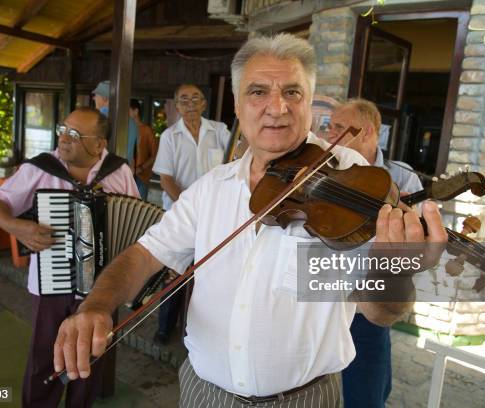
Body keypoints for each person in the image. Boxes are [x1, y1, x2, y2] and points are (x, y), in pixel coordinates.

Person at [54, 34, 447, 407]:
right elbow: (144, 254)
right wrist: (97, 305)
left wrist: (395, 269)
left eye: (292, 92)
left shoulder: (353, 180)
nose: (277, 107)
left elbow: (380, 312)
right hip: (203, 394)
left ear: (310, 105)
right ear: (238, 109)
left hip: (304, 400)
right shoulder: (212, 187)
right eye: (258, 92)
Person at [0, 108, 138, 408]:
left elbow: (133, 222)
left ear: (99, 144)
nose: (64, 139)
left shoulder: (119, 172)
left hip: (101, 288)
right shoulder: (41, 168)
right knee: (45, 358)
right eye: (62, 130)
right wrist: (19, 227)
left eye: (75, 135)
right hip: (50, 286)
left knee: (89, 360)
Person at [327, 98, 423, 408]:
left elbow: (415, 250)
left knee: (367, 397)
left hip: (364, 306)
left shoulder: (403, 179)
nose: (330, 134)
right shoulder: (324, 169)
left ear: (368, 131)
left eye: (339, 128)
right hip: (319, 298)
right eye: (330, 126)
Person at [151, 83, 231, 344]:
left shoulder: (219, 131)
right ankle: (165, 326)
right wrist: (191, 208)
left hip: (215, 216)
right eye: (184, 99)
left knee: (208, 273)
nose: (190, 103)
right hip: (180, 216)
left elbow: (236, 160)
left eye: (196, 98)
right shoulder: (169, 136)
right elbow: (166, 180)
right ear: (177, 105)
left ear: (204, 104)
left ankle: (196, 330)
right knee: (175, 271)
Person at [92, 80, 139, 174]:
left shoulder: (97, 117)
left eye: (96, 96)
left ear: (104, 98)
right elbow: (133, 154)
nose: (93, 98)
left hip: (101, 173)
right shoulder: (132, 123)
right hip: (124, 172)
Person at [129, 98, 158, 201]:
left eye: (128, 110)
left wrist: (141, 168)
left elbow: (154, 155)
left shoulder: (146, 130)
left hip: (141, 176)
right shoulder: (125, 128)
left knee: (139, 209)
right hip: (127, 175)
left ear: (136, 111)